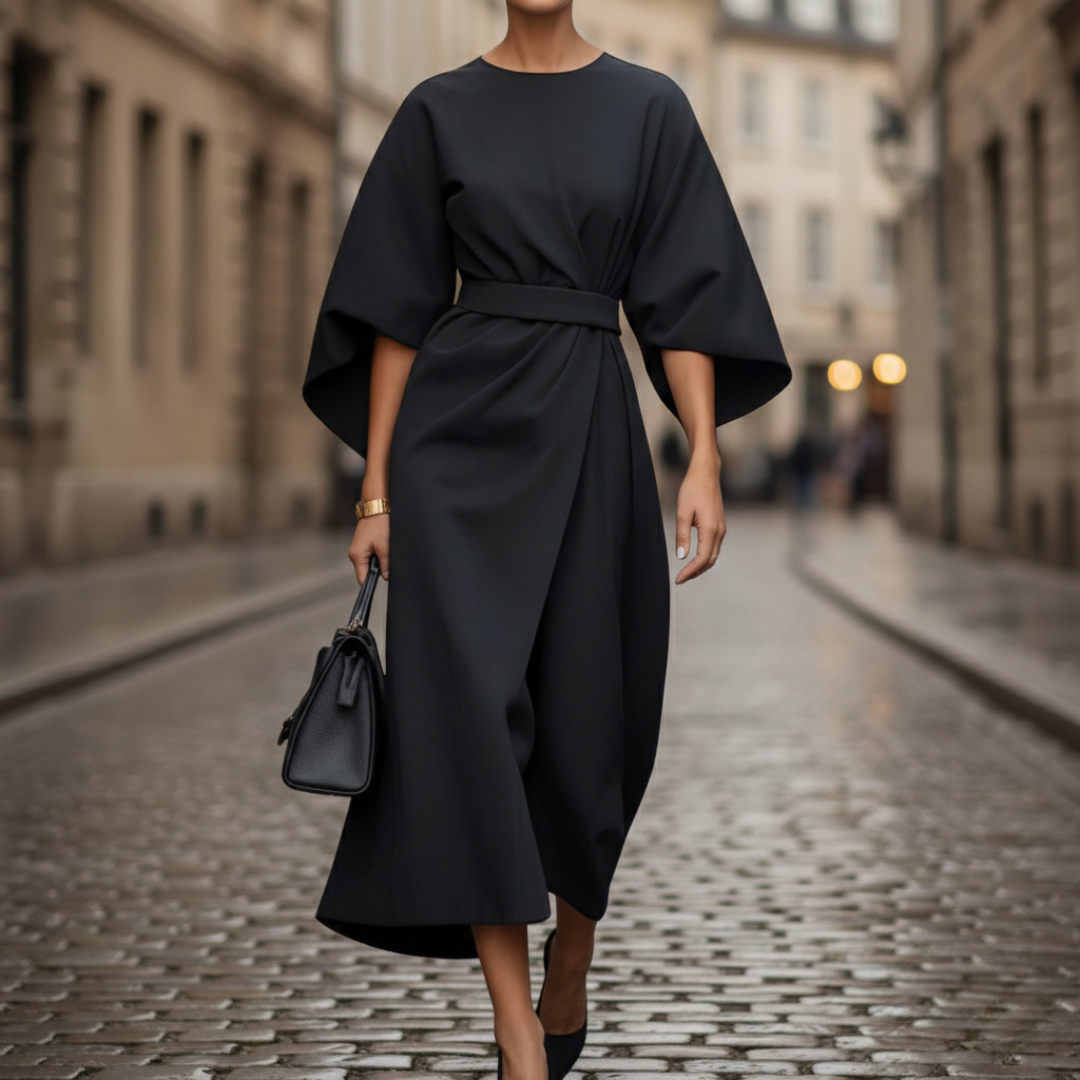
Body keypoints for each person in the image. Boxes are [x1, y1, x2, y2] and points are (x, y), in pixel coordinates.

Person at [300, 3, 791, 1078]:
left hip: (592, 434)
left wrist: (702, 451)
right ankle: (519, 1033)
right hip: (455, 449)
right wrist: (376, 491)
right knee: (467, 724)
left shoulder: (649, 108)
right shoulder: (436, 111)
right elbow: (395, 313)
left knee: (594, 720)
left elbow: (687, 293)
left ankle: (574, 945)